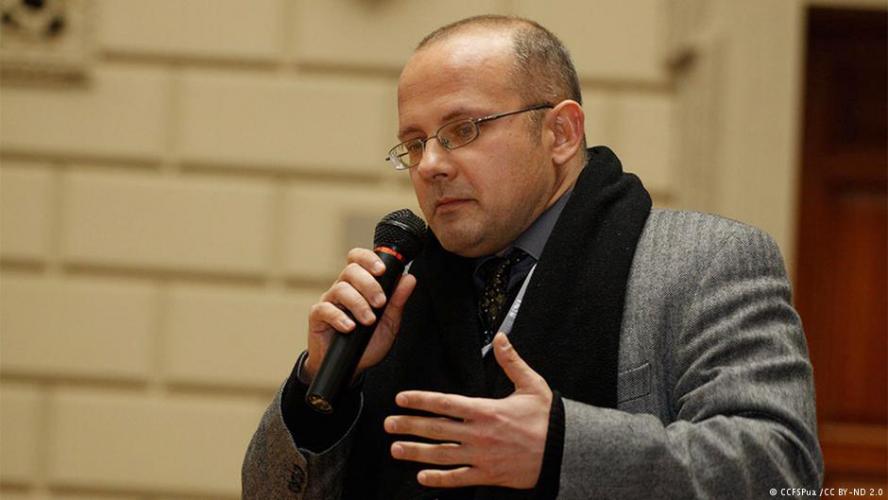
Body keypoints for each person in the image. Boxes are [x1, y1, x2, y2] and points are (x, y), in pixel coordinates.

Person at [242, 15, 822, 499]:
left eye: (463, 130)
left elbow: (783, 471)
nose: (430, 165)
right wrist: (323, 387)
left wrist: (564, 447)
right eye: (415, 143)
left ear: (561, 133)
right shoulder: (396, 295)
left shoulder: (703, 263)